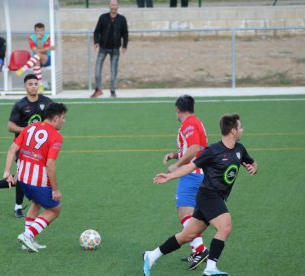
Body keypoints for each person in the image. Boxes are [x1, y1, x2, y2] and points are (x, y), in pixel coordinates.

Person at [143, 113, 258, 276]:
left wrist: (254, 167)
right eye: (240, 127)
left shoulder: (240, 149)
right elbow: (190, 167)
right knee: (225, 226)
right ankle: (210, 269)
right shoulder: (213, 151)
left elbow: (251, 162)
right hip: (208, 196)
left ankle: (151, 255)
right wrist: (169, 176)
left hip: (217, 197)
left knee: (187, 235)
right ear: (233, 131)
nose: (242, 130)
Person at [0, 74, 53, 219]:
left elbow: (53, 118)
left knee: (20, 180)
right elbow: (10, 126)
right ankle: (18, 208)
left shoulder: (46, 102)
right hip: (22, 146)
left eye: (36, 84)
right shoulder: (20, 105)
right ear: (25, 87)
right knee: (22, 177)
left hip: (39, 148)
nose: (34, 86)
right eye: (30, 84)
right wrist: (29, 131)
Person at [3, 102, 67, 252]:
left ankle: (28, 240)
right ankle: (28, 235)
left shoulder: (29, 128)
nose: (64, 121)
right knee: (55, 210)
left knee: (36, 203)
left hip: (23, 179)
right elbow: (50, 164)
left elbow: (13, 149)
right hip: (37, 181)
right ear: (56, 118)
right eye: (63, 117)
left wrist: (7, 171)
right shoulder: (56, 136)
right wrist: (55, 189)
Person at [162, 95, 209, 270]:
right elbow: (195, 148)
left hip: (192, 174)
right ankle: (197, 251)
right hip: (200, 173)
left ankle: (200, 249)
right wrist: (174, 154)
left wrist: (176, 165)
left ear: (177, 109)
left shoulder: (188, 124)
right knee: (192, 215)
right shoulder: (196, 121)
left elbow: (194, 148)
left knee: (185, 214)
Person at [90, 0, 128, 98]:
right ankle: (98, 89)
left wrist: (124, 46)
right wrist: (96, 42)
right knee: (97, 69)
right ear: (109, 6)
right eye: (112, 5)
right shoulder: (103, 17)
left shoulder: (122, 19)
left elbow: (125, 33)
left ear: (118, 6)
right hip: (103, 48)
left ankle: (113, 91)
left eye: (115, 5)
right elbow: (97, 31)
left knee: (113, 70)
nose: (113, 7)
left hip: (115, 49)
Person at [16, 22, 55, 93]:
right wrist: (47, 48)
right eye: (38, 31)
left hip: (47, 59)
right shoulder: (31, 38)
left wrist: (39, 40)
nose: (39, 32)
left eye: (41, 30)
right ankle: (40, 85)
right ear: (35, 31)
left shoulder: (48, 37)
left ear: (44, 30)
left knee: (38, 55)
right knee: (37, 60)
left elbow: (43, 52)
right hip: (36, 60)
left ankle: (23, 69)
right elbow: (35, 50)